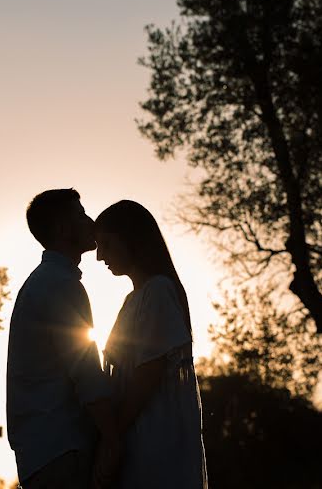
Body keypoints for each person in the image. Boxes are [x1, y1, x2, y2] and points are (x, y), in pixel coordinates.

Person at [6, 189, 120, 489]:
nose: (90, 221)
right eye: (80, 215)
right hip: (62, 451)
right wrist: (114, 439)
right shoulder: (60, 286)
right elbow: (85, 373)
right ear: (61, 228)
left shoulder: (42, 283)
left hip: (43, 453)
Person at [94, 200, 208, 488]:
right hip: (138, 436)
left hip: (154, 438)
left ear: (129, 238)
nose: (99, 256)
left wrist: (113, 434)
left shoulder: (158, 291)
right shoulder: (133, 299)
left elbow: (149, 372)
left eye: (105, 244)